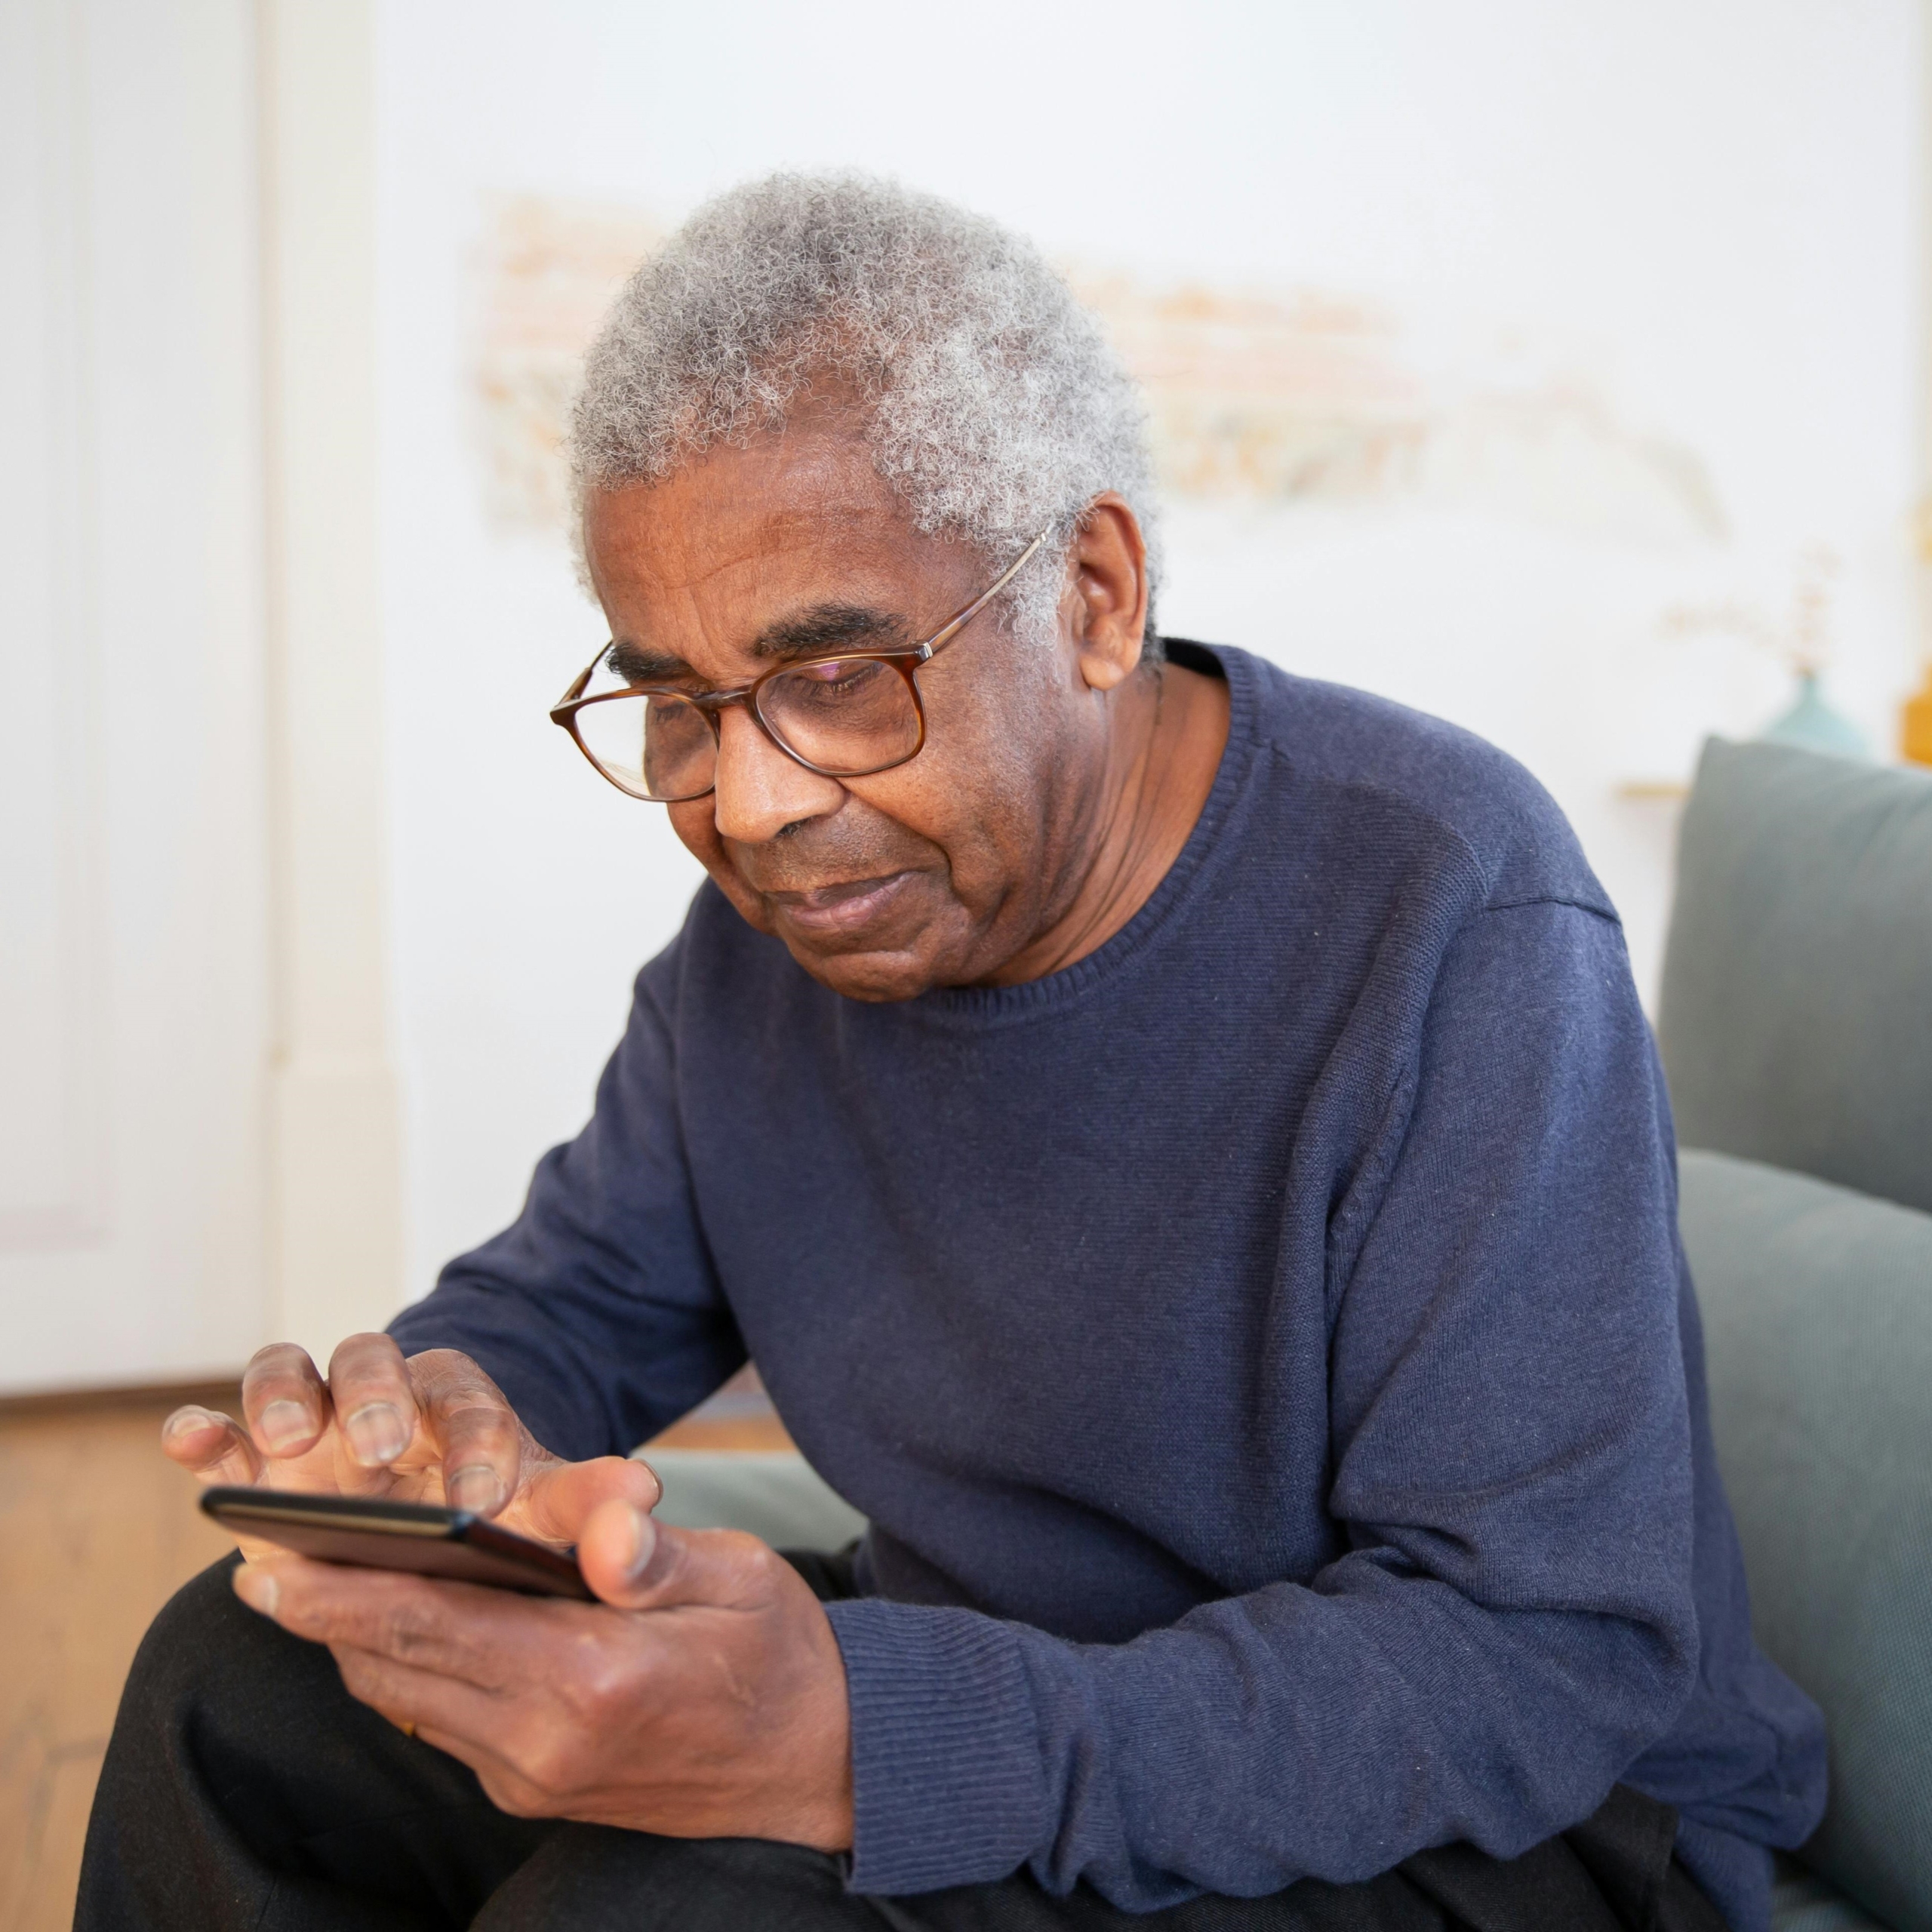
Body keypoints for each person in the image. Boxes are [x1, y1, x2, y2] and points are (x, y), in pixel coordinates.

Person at [78, 174, 1825, 1932]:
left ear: (1090, 594)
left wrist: (856, 1737)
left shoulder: (1448, 917)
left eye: (836, 675)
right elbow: (566, 1304)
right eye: (680, 704)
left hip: (1495, 1827)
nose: (751, 805)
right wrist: (427, 1441)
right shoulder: (763, 956)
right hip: (1023, 1677)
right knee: (242, 1693)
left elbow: (1530, 1656)